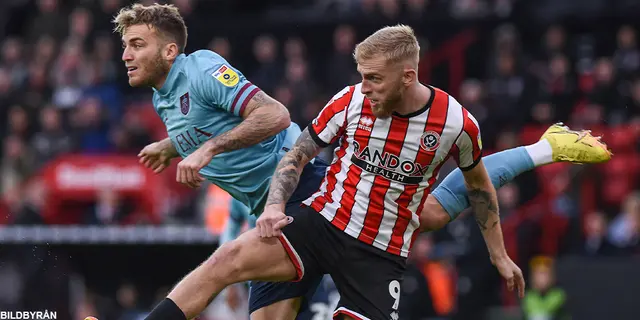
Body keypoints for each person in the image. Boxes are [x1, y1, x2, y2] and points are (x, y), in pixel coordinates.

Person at [129, 16, 612, 320]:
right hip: (318, 211)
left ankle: (546, 148)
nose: (365, 88)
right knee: (230, 268)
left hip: (371, 239)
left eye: (374, 79)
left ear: (408, 76)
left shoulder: (454, 123)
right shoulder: (350, 100)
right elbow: (297, 149)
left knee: (428, 214)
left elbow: (480, 187)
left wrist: (499, 255)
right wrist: (179, 148)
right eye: (361, 78)